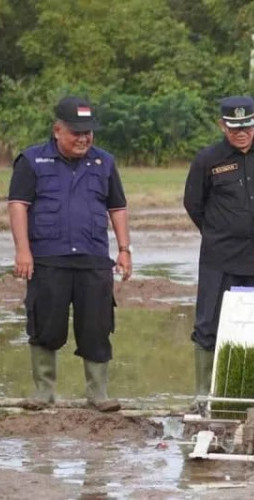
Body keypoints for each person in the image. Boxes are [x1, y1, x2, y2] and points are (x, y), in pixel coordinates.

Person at [8, 96, 131, 412]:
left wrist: (124, 249)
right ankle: (43, 392)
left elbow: (117, 207)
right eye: (76, 132)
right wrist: (23, 251)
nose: (83, 139)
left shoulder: (104, 162)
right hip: (48, 258)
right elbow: (18, 206)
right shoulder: (32, 160)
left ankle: (98, 394)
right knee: (45, 326)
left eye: (88, 132)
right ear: (57, 130)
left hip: (93, 258)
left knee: (96, 327)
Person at [184, 96, 254, 403]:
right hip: (220, 257)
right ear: (222, 126)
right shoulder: (208, 159)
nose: (242, 133)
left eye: (247, 126)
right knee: (209, 323)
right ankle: (205, 394)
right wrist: (219, 232)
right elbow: (193, 204)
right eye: (234, 128)